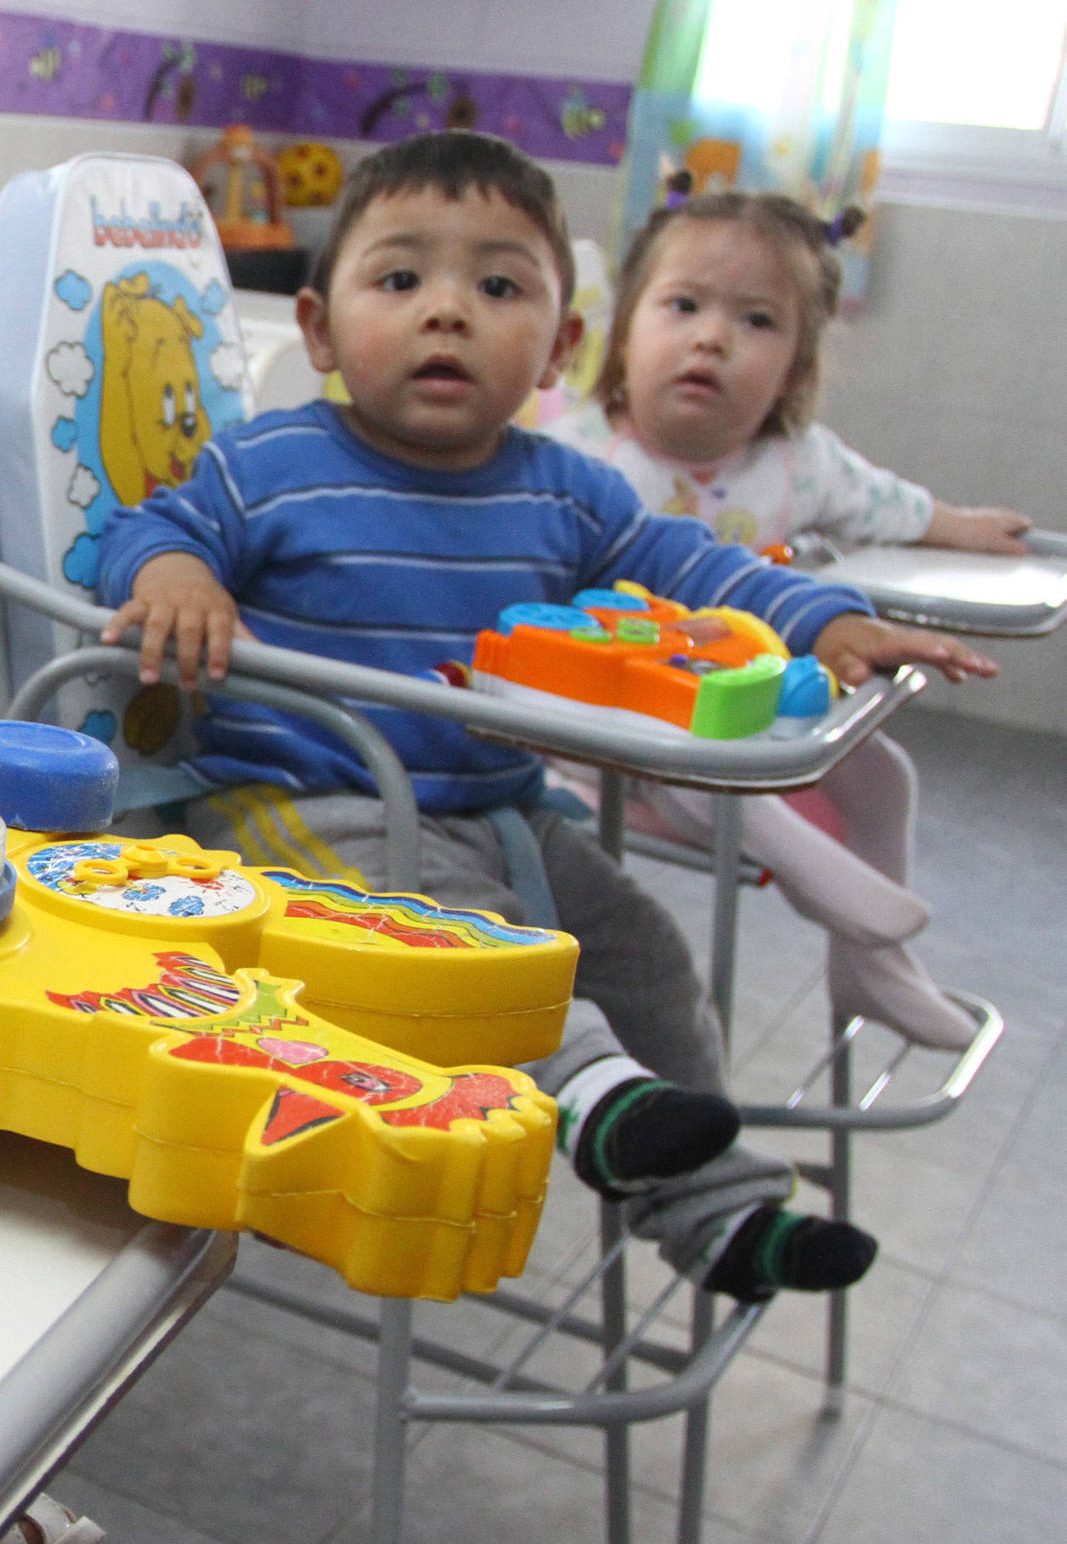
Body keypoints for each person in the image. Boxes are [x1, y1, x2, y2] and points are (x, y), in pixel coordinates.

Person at [91, 132, 999, 1301]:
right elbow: (149, 526)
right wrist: (173, 573)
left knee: (648, 957)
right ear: (318, 330)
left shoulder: (560, 488)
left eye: (499, 286)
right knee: (477, 953)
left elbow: (688, 564)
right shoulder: (266, 465)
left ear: (562, 348)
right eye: (400, 279)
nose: (447, 314)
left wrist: (821, 619)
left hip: (497, 807)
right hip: (299, 814)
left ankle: (717, 1212)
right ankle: (591, 1097)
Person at [546, 189, 1025, 1047]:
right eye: (682, 306)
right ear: (624, 335)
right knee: (730, 773)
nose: (711, 338)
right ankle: (835, 894)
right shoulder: (580, 458)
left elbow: (892, 508)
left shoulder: (796, 463)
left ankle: (869, 966)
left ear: (796, 366)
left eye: (755, 321)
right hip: (605, 727)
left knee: (883, 772)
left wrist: (967, 527)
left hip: (751, 699)